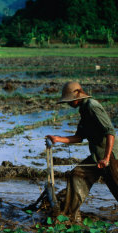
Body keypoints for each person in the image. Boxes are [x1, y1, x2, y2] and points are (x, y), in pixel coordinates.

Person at [46, 81, 118, 221]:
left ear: (78, 94)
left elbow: (110, 132)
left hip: (111, 157)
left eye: (69, 100)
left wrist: (107, 158)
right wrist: (57, 139)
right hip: (97, 157)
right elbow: (79, 137)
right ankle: (70, 216)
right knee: (77, 175)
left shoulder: (92, 106)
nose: (68, 103)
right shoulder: (83, 110)